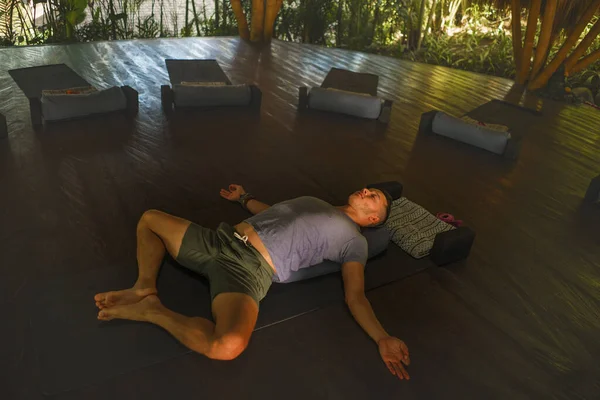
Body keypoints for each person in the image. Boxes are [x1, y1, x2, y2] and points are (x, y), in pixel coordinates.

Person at [94, 184, 411, 380]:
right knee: (150, 218)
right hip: (219, 240)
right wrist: (243, 198)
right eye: (369, 188)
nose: (366, 190)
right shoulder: (317, 201)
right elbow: (274, 213)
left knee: (227, 346)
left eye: (374, 197)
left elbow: (355, 296)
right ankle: (143, 288)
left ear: (374, 220)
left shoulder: (355, 242)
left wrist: (382, 337)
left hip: (248, 272)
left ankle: (152, 310)